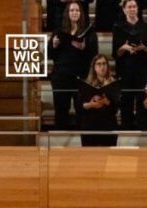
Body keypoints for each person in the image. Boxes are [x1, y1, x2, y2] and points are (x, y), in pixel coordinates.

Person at [50, 2, 98, 131]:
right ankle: (59, 139)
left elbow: (95, 55)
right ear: (67, 13)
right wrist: (54, 45)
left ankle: (83, 141)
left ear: (81, 13)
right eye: (72, 10)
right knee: (61, 108)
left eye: (77, 10)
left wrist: (84, 48)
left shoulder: (88, 31)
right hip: (61, 76)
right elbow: (50, 55)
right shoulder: (59, 30)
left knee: (81, 109)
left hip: (80, 76)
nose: (75, 13)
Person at [112, 0, 147, 129]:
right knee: (126, 101)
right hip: (125, 69)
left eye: (134, 6)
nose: (132, 9)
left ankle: (143, 128)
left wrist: (143, 48)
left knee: (143, 99)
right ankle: (127, 129)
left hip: (142, 68)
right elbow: (116, 53)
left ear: (138, 9)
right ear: (124, 10)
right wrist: (124, 47)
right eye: (129, 7)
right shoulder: (118, 27)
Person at [78, 54, 119, 147]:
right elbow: (80, 105)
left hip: (108, 124)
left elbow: (116, 107)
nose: (102, 67)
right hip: (90, 124)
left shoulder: (113, 83)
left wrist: (106, 101)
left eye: (104, 64)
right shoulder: (86, 84)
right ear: (94, 67)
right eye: (99, 64)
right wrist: (91, 104)